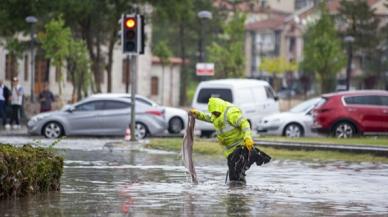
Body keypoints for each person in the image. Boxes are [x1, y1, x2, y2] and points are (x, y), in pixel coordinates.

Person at [189, 97, 271, 183]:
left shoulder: (231, 113)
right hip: (230, 151)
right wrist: (198, 114)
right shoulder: (216, 115)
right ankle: (239, 193)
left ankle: (238, 195)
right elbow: (209, 118)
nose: (215, 114)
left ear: (220, 108)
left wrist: (247, 137)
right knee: (235, 176)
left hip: (241, 148)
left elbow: (244, 123)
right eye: (213, 113)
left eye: (216, 112)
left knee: (235, 177)